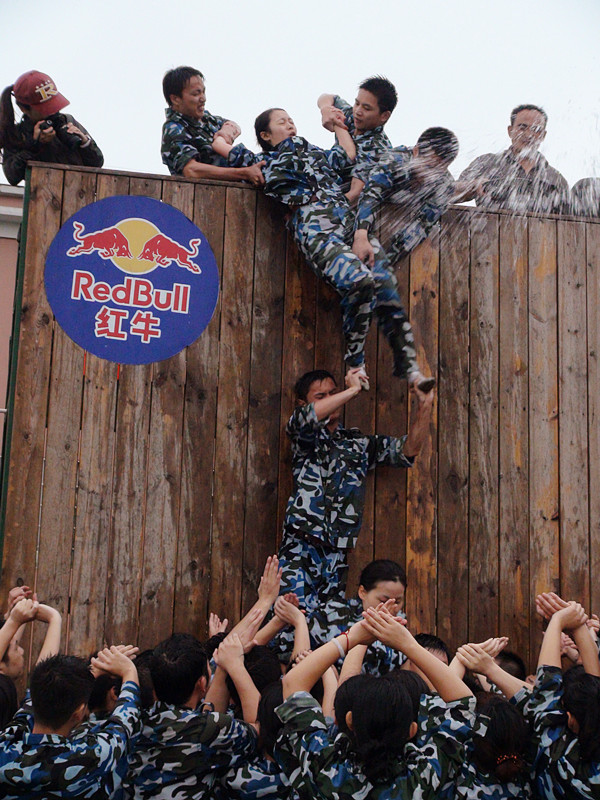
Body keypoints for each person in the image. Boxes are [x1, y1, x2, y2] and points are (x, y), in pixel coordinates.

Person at [221, 107, 435, 389]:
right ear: (265, 135)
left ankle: (411, 369)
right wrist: (228, 132)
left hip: (347, 221)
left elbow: (347, 153)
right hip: (316, 229)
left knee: (385, 285)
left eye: (291, 120)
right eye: (282, 122)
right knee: (360, 281)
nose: (290, 124)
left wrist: (337, 125)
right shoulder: (262, 160)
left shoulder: (316, 154)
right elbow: (221, 147)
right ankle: (356, 363)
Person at [277, 368, 433, 622]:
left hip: (337, 555)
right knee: (287, 625)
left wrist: (425, 405)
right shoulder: (303, 434)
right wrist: (352, 391)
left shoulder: (357, 444)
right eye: (321, 396)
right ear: (303, 403)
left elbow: (408, 450)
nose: (330, 399)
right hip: (300, 549)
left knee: (326, 627)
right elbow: (307, 417)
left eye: (333, 393)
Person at [274, 608, 475, 799]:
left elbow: (293, 683)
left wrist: (352, 637)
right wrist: (408, 645)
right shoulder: (421, 781)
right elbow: (463, 702)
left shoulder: (328, 772)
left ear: (350, 720)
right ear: (411, 730)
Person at [352, 127, 459, 267]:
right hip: (358, 193)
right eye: (428, 167)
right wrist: (360, 235)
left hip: (397, 220)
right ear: (416, 152)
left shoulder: (444, 185)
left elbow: (422, 226)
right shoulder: (395, 161)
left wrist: (386, 263)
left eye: (439, 171)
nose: (431, 176)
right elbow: (370, 196)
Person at [455, 104, 569, 215]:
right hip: (491, 228)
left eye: (536, 129)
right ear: (510, 131)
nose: (529, 135)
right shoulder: (487, 163)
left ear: (543, 135)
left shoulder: (556, 179)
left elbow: (569, 220)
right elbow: (448, 193)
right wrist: (471, 186)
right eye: (522, 127)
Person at [160, 66, 265, 185]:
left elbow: (233, 125)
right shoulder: (174, 128)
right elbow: (191, 170)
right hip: (200, 193)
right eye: (196, 94)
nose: (203, 99)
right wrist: (244, 173)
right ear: (175, 99)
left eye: (203, 92)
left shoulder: (206, 119)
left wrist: (224, 135)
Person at [0, 70, 103, 186]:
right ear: (24, 109)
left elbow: (97, 163)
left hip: (79, 192)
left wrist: (85, 143)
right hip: (42, 194)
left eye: (53, 105)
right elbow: (12, 176)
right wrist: (34, 147)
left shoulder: (67, 120)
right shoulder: (16, 135)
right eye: (45, 108)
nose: (53, 111)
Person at [308, 559, 408, 675]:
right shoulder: (331, 615)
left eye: (398, 601)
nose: (392, 607)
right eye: (384, 600)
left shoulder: (400, 621)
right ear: (362, 592)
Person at [317, 75, 397, 202]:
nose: (358, 111)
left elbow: (355, 194)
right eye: (357, 103)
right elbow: (326, 97)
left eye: (366, 108)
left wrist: (324, 207)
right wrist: (326, 109)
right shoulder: (351, 116)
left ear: (384, 116)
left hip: (336, 197)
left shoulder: (376, 149)